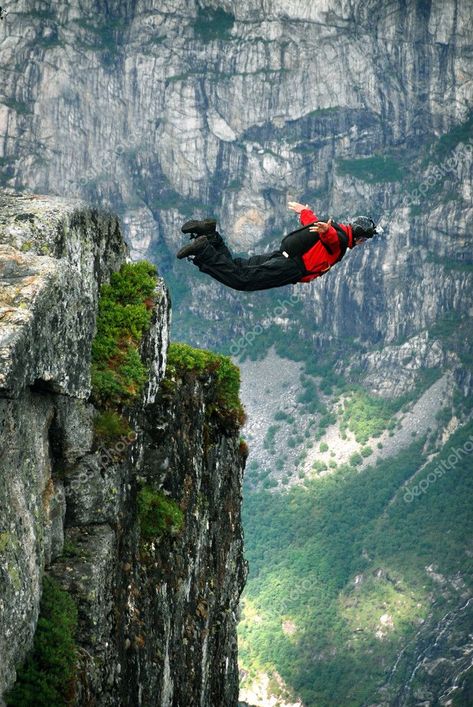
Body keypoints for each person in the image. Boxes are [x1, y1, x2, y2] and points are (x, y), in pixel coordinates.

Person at [176, 201, 378, 292]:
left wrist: (304, 212)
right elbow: (331, 239)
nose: (362, 244)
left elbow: (313, 222)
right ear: (360, 238)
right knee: (241, 280)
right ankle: (203, 248)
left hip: (282, 255)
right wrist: (327, 232)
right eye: (365, 240)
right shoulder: (340, 241)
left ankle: (210, 235)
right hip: (290, 268)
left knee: (238, 266)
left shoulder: (337, 226)